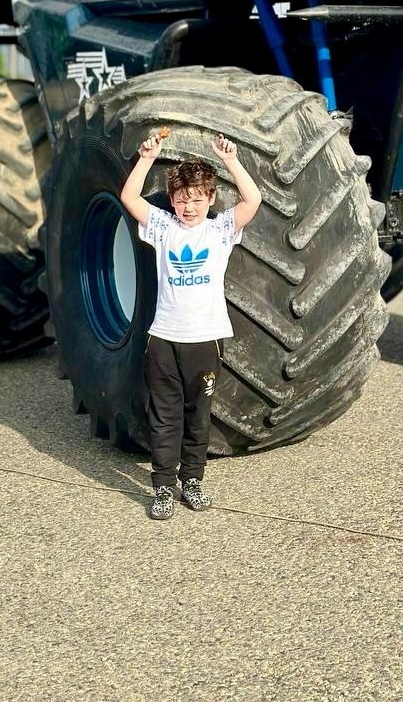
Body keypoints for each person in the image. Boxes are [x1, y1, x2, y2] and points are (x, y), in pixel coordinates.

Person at [120, 131, 262, 519]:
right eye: (182, 200)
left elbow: (253, 200)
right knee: (164, 418)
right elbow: (129, 199)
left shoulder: (219, 231)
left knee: (198, 417)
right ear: (172, 200)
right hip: (164, 340)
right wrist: (147, 157)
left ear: (211, 199)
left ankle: (193, 482)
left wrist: (231, 160)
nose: (189, 208)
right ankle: (163, 488)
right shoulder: (163, 227)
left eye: (197, 200)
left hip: (206, 341)